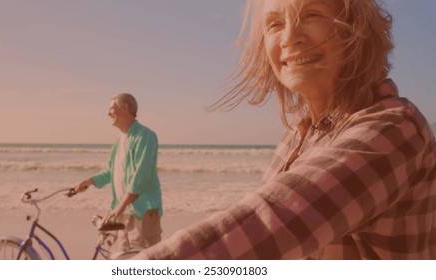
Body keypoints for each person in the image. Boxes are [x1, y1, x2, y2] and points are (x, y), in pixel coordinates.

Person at [134, 0, 436, 259]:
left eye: (312, 14)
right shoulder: (297, 134)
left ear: (355, 28)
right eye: (275, 24)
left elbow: (272, 222)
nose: (290, 38)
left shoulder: (394, 127)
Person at [74, 93, 163, 251]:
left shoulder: (145, 137)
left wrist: (119, 207)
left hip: (143, 212)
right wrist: (90, 181)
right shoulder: (119, 140)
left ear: (125, 108)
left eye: (111, 109)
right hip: (124, 212)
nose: (108, 113)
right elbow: (111, 171)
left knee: (147, 262)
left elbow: (139, 178)